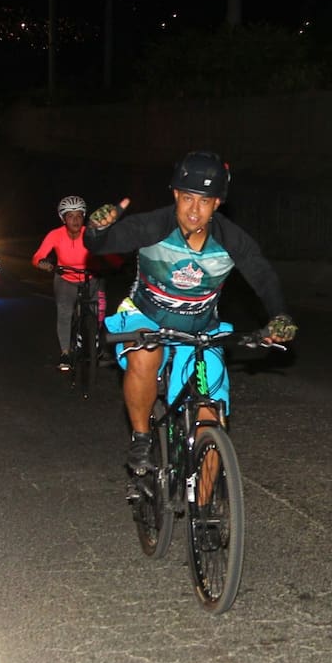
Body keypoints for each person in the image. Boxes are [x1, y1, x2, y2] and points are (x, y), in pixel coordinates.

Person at [83, 150, 298, 496]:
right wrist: (96, 231)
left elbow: (264, 277)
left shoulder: (231, 240)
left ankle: (206, 513)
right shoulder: (153, 226)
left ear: (217, 205)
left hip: (199, 330)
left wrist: (280, 315)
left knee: (210, 420)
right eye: (186, 198)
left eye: (204, 201)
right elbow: (101, 245)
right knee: (145, 350)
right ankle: (140, 439)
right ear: (175, 196)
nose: (193, 210)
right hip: (145, 317)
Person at [32, 195, 109, 371]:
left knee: (98, 311)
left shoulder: (90, 234)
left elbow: (107, 252)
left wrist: (116, 262)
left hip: (90, 277)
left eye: (79, 215)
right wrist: (44, 264)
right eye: (70, 216)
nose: (75, 220)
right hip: (65, 278)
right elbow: (38, 256)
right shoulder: (55, 235)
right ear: (63, 218)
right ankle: (65, 353)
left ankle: (96, 343)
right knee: (65, 312)